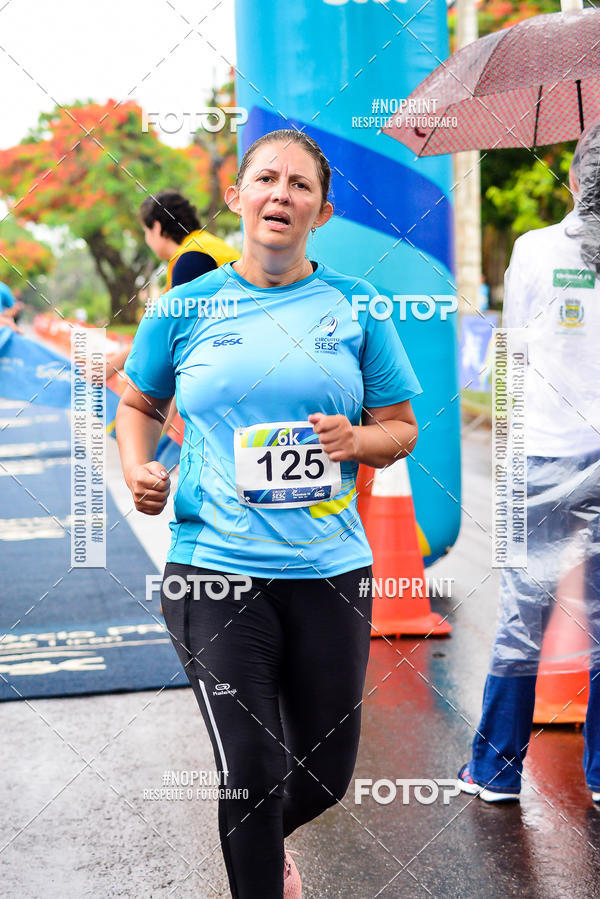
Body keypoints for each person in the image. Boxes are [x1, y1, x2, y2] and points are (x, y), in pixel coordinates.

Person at [116, 129, 421, 897]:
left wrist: (357, 437)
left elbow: (402, 427)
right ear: (237, 196)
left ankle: (252, 842)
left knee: (322, 776)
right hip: (212, 569)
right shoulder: (184, 306)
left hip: (329, 569)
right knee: (249, 772)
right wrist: (138, 467)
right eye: (265, 179)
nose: (280, 194)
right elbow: (139, 401)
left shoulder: (357, 304)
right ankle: (253, 859)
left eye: (299, 186)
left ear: (321, 210)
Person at [458, 121, 600, 804]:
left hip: (541, 453)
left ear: (575, 178)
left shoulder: (535, 250)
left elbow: (511, 351)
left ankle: (496, 770)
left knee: (523, 611)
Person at [105, 190, 240, 379]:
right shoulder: (203, 246)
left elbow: (170, 335)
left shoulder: (192, 259)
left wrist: (111, 367)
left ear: (157, 227)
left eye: (145, 231)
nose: (146, 239)